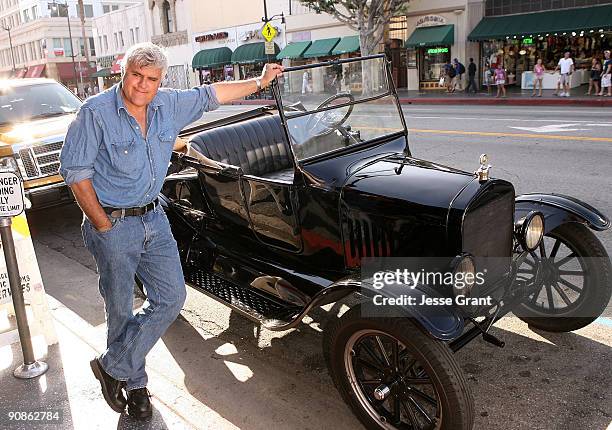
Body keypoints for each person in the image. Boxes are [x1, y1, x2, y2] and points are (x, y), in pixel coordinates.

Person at [59, 42, 283, 420]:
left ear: (160, 81)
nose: (142, 85)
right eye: (136, 75)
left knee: (171, 297)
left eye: (152, 79)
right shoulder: (94, 114)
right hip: (112, 223)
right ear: (123, 72)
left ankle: (112, 366)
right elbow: (76, 175)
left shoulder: (170, 104)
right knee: (119, 309)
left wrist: (260, 81)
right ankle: (136, 385)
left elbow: (213, 94)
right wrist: (103, 225)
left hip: (154, 219)